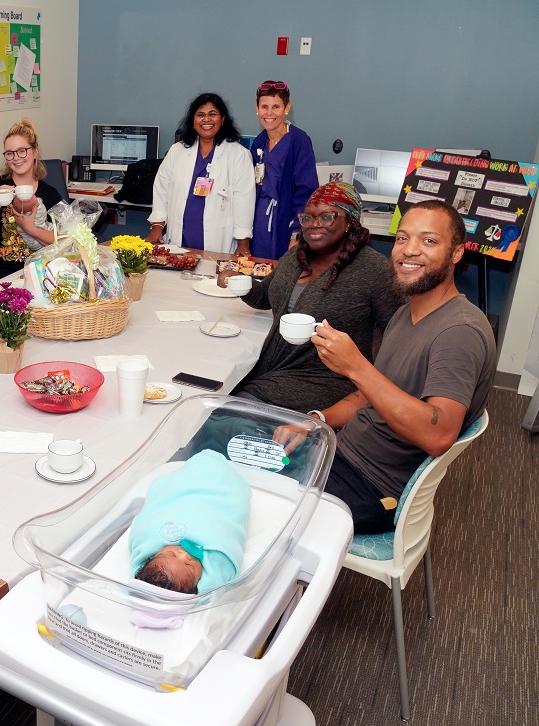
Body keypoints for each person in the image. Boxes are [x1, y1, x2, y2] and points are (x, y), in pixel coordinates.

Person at [276, 200, 496, 533]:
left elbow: (438, 436)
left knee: (249, 496)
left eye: (429, 241)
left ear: (456, 254)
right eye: (402, 239)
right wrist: (316, 421)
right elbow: (373, 394)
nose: (409, 251)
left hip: (373, 487)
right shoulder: (406, 314)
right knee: (228, 451)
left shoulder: (459, 332)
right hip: (342, 452)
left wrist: (355, 366)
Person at [220, 182, 403, 412]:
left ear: (350, 223)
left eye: (327, 217)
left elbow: (398, 338)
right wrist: (242, 283)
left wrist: (371, 389)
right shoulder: (295, 256)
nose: (314, 224)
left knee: (222, 415)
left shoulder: (375, 270)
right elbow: (266, 297)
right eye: (307, 217)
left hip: (324, 383)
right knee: (214, 391)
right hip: (270, 369)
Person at [148, 93, 255, 255]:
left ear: (223, 119)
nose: (206, 120)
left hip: (218, 241)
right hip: (179, 237)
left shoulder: (238, 155)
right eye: (200, 115)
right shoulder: (177, 151)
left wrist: (243, 243)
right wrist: (157, 227)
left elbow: (244, 201)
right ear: (193, 121)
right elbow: (161, 189)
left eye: (213, 114)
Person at [129, 450, 251, 594]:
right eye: (190, 567)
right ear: (197, 585)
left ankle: (203, 462)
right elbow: (217, 582)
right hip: (220, 493)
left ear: (152, 556)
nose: (184, 555)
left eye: (171, 555)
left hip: (187, 489)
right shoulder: (218, 560)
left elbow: (145, 522)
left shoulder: (146, 538)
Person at [0, 119, 65, 280]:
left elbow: (64, 241)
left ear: (35, 152)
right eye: (10, 153)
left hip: (37, 273)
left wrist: (30, 229)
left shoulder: (50, 194)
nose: (16, 158)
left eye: (22, 151)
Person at [249, 80, 318, 260]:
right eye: (264, 106)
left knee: (281, 276)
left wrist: (297, 233)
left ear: (287, 108)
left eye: (276, 107)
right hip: (258, 224)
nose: (269, 113)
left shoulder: (299, 141)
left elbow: (307, 191)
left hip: (285, 222)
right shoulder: (258, 143)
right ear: (256, 108)